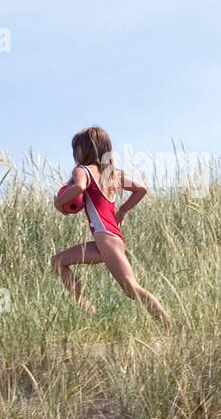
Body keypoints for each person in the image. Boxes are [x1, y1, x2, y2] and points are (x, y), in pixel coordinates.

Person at [50, 126, 172, 325]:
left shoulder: (82, 170)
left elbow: (79, 187)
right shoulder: (110, 174)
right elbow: (140, 189)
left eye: (77, 149)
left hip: (106, 239)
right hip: (109, 239)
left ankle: (169, 326)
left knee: (131, 288)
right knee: (58, 261)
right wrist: (122, 210)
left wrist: (58, 202)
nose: (75, 154)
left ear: (89, 148)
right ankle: (86, 308)